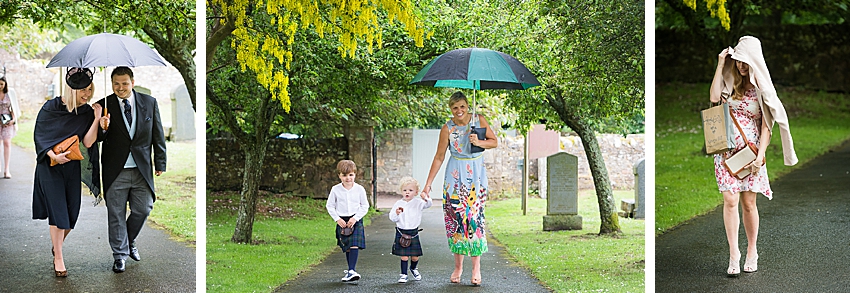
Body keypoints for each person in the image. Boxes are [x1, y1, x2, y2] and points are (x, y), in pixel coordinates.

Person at [709, 36, 798, 277]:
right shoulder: (730, 80)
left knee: (748, 203)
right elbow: (715, 98)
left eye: (745, 62)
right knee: (729, 200)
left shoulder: (762, 88)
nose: (740, 66)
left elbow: (766, 126)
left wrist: (761, 157)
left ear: (754, 62)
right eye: (738, 62)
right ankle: (734, 254)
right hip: (726, 153)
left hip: (751, 155)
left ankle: (751, 251)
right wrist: (721, 64)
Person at [32, 67, 105, 277]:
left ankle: (58, 246)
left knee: (72, 213)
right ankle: (59, 258)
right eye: (83, 90)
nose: (87, 94)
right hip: (50, 167)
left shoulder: (86, 112)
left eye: (89, 89)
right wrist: (53, 156)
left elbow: (89, 142)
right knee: (58, 213)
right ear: (72, 89)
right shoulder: (51, 108)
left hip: (71, 167)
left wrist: (96, 117)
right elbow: (40, 136)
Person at [422, 91, 498, 286]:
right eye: (455, 107)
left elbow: (494, 141)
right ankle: (458, 266)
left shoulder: (478, 120)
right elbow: (439, 157)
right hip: (455, 176)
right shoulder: (447, 129)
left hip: (476, 176)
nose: (459, 111)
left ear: (467, 106)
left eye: (462, 106)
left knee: (474, 220)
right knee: (456, 220)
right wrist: (428, 184)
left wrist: (478, 142)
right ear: (450, 109)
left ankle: (476, 268)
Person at [96, 66, 167, 273]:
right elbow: (95, 139)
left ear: (132, 82)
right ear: (112, 84)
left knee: (143, 209)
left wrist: (160, 162)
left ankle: (129, 239)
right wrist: (102, 127)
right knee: (116, 214)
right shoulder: (104, 105)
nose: (120, 88)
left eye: (125, 83)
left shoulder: (149, 103)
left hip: (141, 169)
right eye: (116, 84)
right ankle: (119, 256)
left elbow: (158, 134)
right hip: (114, 170)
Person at [325, 159, 369, 282]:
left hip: (355, 219)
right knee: (348, 247)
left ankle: (351, 270)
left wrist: (355, 218)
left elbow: (365, 206)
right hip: (342, 221)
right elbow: (330, 206)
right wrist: (337, 219)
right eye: (344, 175)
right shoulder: (335, 189)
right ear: (339, 175)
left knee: (354, 244)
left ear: (355, 174)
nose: (348, 178)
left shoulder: (359, 189)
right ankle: (351, 270)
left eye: (351, 175)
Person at [389, 176, 432, 283]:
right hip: (401, 232)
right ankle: (403, 274)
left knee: (415, 256)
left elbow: (428, 204)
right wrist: (396, 213)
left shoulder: (418, 202)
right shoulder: (398, 204)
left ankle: (413, 268)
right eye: (405, 190)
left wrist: (426, 197)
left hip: (413, 232)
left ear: (416, 192)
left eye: (410, 190)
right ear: (401, 191)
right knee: (404, 256)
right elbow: (392, 218)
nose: (407, 192)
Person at [0, 76, 20, 178]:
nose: (0, 86)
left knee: (7, 143)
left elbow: (14, 108)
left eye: (1, 84)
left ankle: (6, 169)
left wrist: (13, 120)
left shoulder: (10, 93)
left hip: (7, 122)